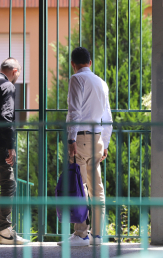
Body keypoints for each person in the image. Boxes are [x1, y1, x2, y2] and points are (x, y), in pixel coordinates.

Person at [58, 47, 113, 247]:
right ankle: (97, 235)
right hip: (97, 138)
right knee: (96, 187)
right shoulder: (101, 83)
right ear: (90, 62)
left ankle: (81, 234)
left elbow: (74, 112)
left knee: (79, 185)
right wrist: (105, 143)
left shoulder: (76, 79)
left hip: (80, 139)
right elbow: (108, 116)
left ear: (73, 64)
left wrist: (71, 140)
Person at [0, 57, 28, 245]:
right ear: (14, 71)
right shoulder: (7, 87)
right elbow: (6, 118)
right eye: (19, 73)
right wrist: (10, 146)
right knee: (9, 183)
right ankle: (5, 230)